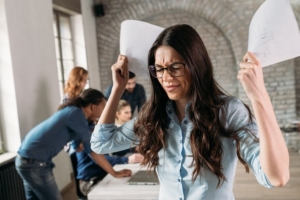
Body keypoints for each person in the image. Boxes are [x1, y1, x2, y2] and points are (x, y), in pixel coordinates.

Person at [91, 24, 290, 200]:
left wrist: (260, 96)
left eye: (175, 67)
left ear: (196, 65)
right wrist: (118, 88)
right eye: (159, 69)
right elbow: (101, 143)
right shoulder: (154, 115)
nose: (166, 77)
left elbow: (275, 177)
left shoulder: (228, 111)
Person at [15, 89, 131, 200]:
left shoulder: (74, 113)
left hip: (25, 161)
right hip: (34, 164)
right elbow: (91, 150)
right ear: (93, 107)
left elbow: (78, 147)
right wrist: (114, 173)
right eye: (104, 108)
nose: (104, 112)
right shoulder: (76, 114)